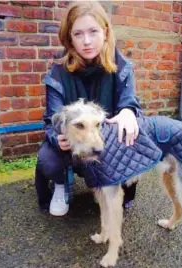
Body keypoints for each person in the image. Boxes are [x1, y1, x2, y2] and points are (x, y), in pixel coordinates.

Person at [35, 1, 143, 216]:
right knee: (48, 158)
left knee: (135, 141)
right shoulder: (58, 74)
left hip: (106, 143)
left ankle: (110, 184)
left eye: (93, 31)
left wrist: (129, 113)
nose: (86, 41)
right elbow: (51, 121)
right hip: (74, 143)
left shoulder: (122, 68)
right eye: (78, 34)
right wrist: (58, 139)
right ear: (69, 38)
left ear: (105, 32)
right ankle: (60, 184)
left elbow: (129, 102)